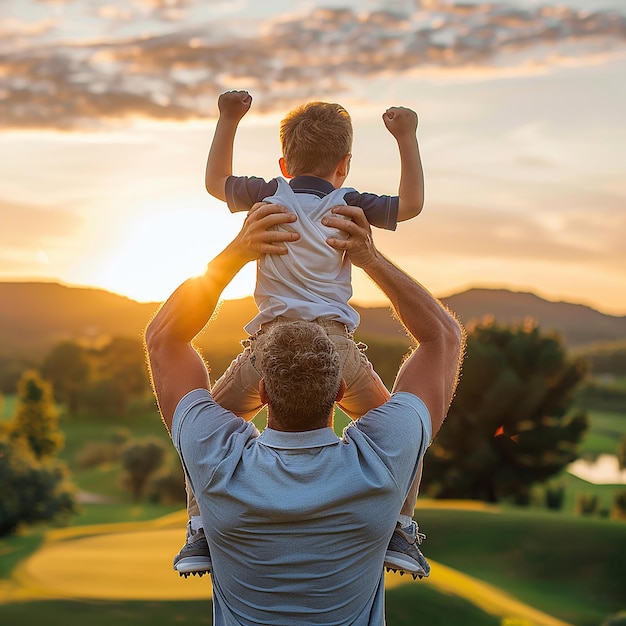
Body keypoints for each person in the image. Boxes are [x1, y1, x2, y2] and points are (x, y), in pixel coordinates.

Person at [145, 202, 464, 625]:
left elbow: (163, 339)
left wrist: (238, 251)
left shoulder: (216, 460)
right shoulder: (383, 461)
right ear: (340, 391)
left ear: (262, 392)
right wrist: (368, 256)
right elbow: (444, 338)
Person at [172, 90, 428, 578]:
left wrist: (227, 119)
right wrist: (407, 138)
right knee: (403, 431)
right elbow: (411, 205)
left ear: (284, 163)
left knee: (201, 429)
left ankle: (202, 527)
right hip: (335, 347)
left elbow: (213, 182)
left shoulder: (269, 195)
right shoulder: (349, 203)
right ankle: (399, 526)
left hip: (269, 347)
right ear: (345, 165)